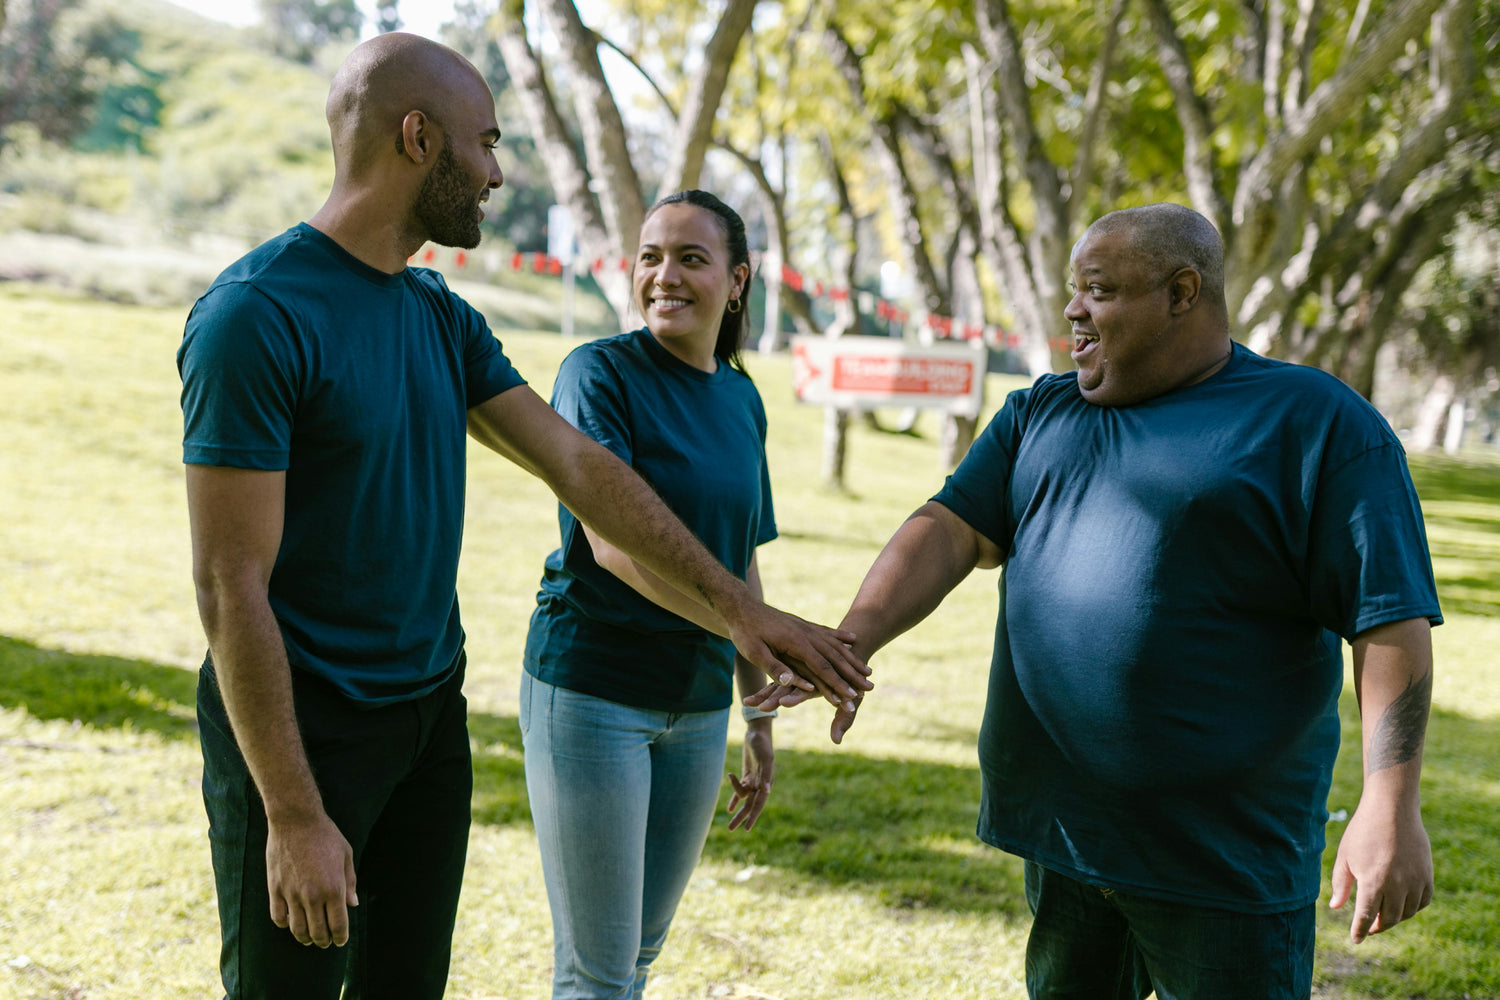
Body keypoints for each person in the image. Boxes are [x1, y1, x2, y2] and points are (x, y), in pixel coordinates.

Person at [177, 34, 869, 1000]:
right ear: (418, 138)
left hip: (427, 719)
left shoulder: (438, 314)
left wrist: (741, 611)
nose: (498, 173)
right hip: (305, 728)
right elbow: (227, 586)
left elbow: (581, 467)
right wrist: (292, 812)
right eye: (487, 143)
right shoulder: (256, 315)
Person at [750, 203, 1441, 999]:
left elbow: (1388, 618)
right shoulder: (1042, 411)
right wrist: (854, 638)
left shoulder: (1313, 423)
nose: (1074, 310)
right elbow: (949, 532)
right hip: (1067, 841)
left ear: (1183, 293)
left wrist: (1391, 802)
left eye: (1100, 290)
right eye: (1073, 290)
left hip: (1222, 861)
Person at [521, 189, 783, 999]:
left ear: (736, 281)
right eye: (651, 256)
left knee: (635, 958)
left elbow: (742, 564)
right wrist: (748, 631)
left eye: (691, 258)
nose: (664, 275)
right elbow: (614, 549)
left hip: (698, 708)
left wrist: (758, 711)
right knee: (596, 973)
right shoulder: (596, 374)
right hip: (593, 692)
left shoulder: (742, 398)